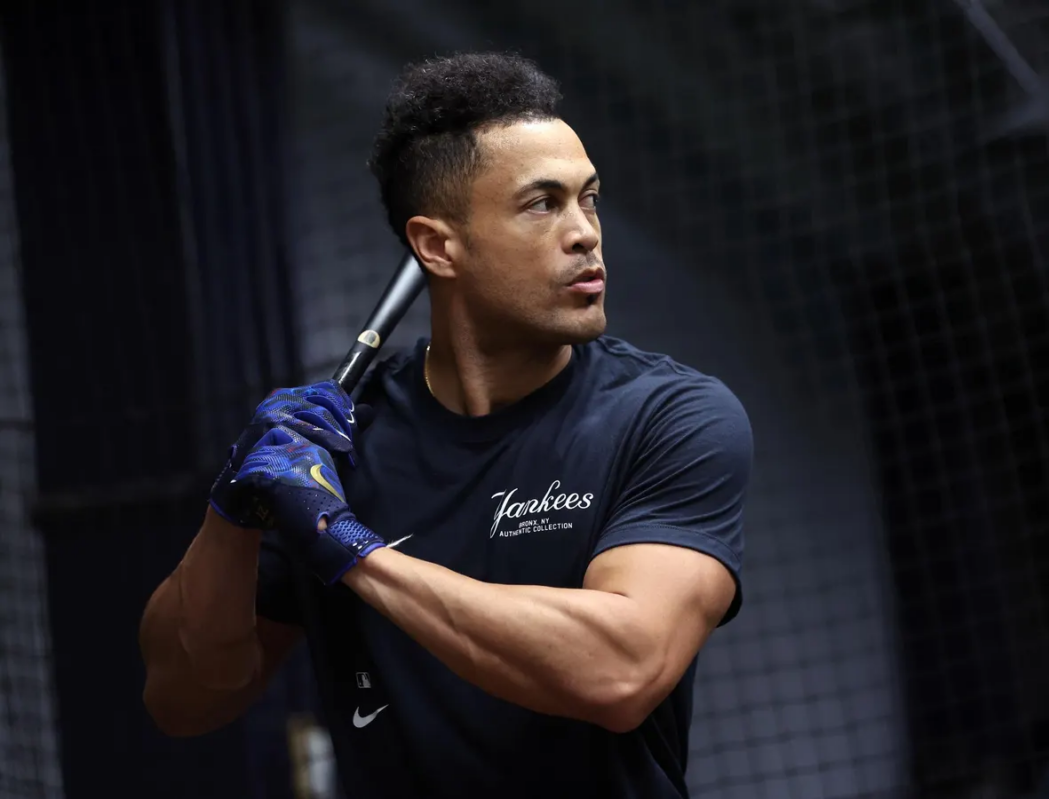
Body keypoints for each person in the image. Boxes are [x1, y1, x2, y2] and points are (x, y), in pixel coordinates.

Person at [139, 51, 754, 799]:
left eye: (587, 199)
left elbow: (622, 668)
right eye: (542, 203)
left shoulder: (669, 415)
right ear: (436, 245)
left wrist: (349, 546)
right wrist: (230, 516)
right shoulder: (339, 445)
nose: (586, 233)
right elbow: (185, 699)